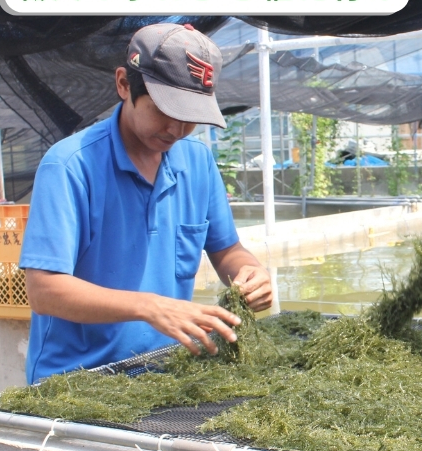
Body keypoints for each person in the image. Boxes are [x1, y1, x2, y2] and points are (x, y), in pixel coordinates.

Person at [21, 22, 273, 384]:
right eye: (164, 109)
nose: (176, 128)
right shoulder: (70, 166)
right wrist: (150, 307)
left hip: (166, 371)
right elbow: (44, 290)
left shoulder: (197, 162)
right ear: (124, 84)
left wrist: (251, 273)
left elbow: (227, 249)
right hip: (75, 380)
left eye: (190, 117)